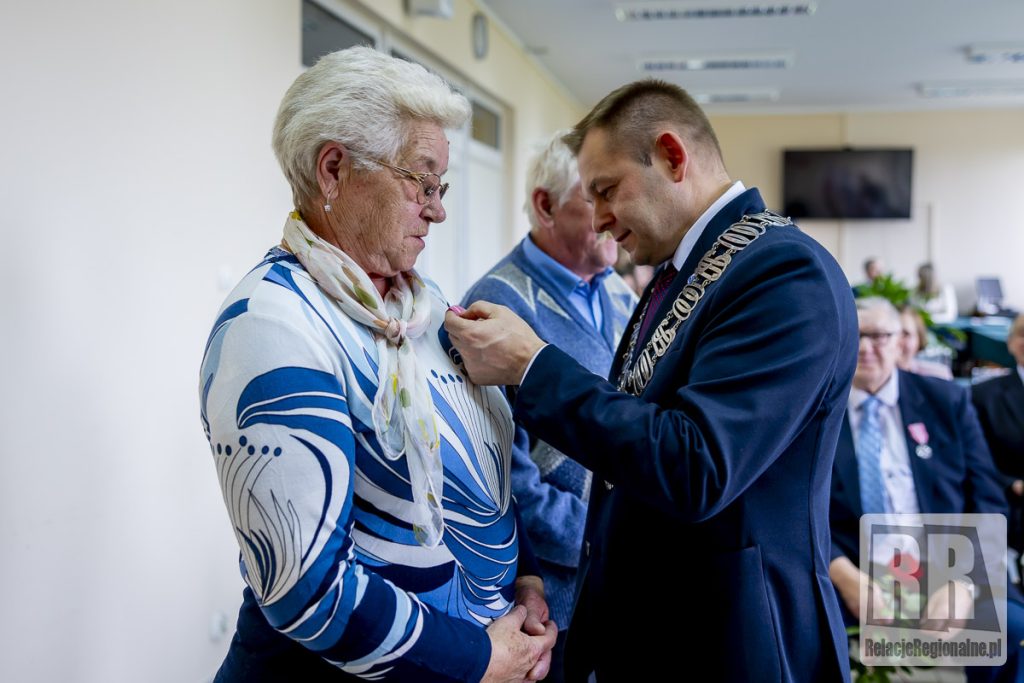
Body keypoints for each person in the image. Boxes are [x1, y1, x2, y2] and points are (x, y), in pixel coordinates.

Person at [444, 78, 858, 681]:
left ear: (671, 156)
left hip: (734, 641)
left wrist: (533, 365)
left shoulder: (781, 271)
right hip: (661, 630)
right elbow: (633, 431)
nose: (601, 218)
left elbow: (695, 465)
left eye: (607, 190)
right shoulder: (683, 270)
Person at [198, 47, 555, 682]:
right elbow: (307, 591)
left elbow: (481, 476)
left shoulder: (421, 306)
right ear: (334, 170)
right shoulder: (273, 323)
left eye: (441, 187)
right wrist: (482, 658)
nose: (437, 209)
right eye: (422, 182)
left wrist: (524, 581)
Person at [460, 130, 637, 682]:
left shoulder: (620, 292)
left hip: (621, 577)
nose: (613, 214)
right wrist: (605, 531)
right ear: (545, 205)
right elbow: (500, 474)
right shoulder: (495, 304)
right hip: (553, 597)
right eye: (597, 196)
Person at [828, 297, 1024, 683]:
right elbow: (797, 510)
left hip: (947, 563)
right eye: (856, 336)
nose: (866, 348)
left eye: (879, 336)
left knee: (1014, 632)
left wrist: (963, 580)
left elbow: (987, 498)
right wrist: (844, 575)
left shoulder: (945, 400)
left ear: (901, 340)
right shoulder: (817, 410)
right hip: (853, 570)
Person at [973, 314, 1024, 553]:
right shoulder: (983, 396)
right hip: (1011, 506)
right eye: (1022, 334)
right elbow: (976, 457)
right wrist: (1012, 483)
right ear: (1010, 343)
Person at [898, 303, 953, 380]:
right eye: (891, 334)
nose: (897, 340)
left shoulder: (938, 377)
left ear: (919, 339)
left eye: (906, 334)